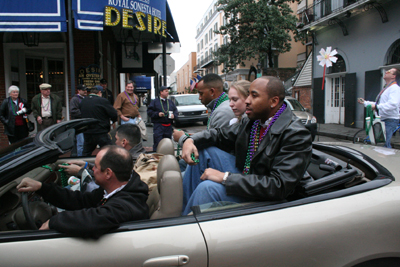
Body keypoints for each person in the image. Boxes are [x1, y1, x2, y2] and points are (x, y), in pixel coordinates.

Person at [179, 76, 312, 215]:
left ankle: (186, 225)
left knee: (207, 188)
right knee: (204, 152)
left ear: (273, 101)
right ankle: (185, 212)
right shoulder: (253, 121)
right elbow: (219, 135)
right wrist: (190, 140)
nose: (247, 100)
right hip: (249, 174)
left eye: (254, 96)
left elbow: (278, 186)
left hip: (268, 197)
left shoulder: (296, 134)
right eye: (248, 94)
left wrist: (225, 178)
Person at [16, 145, 149, 239]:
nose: (92, 170)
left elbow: (93, 220)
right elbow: (82, 200)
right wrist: (42, 188)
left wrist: (53, 221)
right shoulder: (115, 189)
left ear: (108, 173)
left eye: (95, 167)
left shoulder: (127, 205)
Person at [357, 68, 400, 148]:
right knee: (380, 143)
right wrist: (365, 102)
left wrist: (377, 107)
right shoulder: (386, 88)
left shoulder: (395, 88)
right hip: (383, 119)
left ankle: (386, 159)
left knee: (384, 144)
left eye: (389, 71)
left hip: (389, 119)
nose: (386, 72)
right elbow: (379, 104)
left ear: (393, 76)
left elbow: (393, 104)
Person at [79, 85, 118, 156]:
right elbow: (114, 114)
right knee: (109, 151)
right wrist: (113, 121)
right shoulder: (103, 101)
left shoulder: (83, 101)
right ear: (99, 92)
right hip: (101, 131)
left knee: (86, 152)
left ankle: (84, 165)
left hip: (88, 132)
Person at [147, 86, 178, 151]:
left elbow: (176, 111)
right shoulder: (155, 102)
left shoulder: (170, 102)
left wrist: (174, 116)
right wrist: (157, 114)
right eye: (166, 91)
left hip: (168, 127)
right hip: (158, 126)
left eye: (168, 91)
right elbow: (149, 112)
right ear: (161, 92)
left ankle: (167, 157)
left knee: (167, 143)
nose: (168, 92)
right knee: (158, 143)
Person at [70, 84, 87, 157]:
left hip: (85, 123)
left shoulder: (86, 98)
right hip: (79, 123)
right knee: (81, 143)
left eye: (85, 90)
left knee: (85, 142)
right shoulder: (74, 99)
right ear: (78, 91)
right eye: (83, 90)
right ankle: (80, 157)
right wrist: (84, 112)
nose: (85, 91)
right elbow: (73, 111)